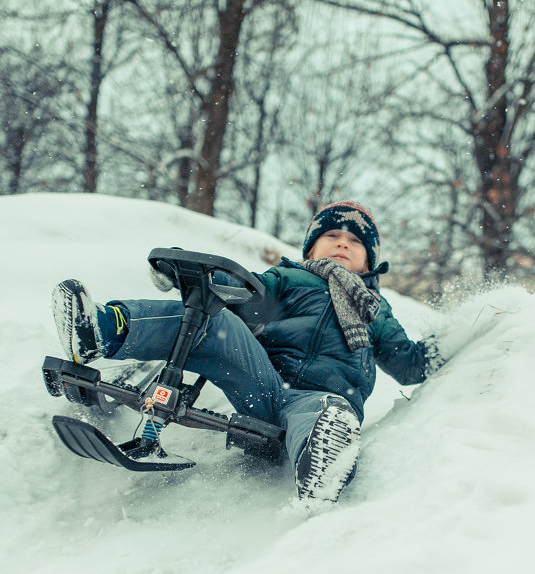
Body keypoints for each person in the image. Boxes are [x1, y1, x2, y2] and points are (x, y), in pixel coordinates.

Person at [51, 201, 441, 504]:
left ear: (370, 260)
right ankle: (102, 329)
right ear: (311, 246)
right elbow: (247, 294)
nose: (342, 242)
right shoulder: (292, 277)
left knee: (325, 411)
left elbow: (409, 364)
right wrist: (200, 276)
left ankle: (322, 459)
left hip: (321, 400)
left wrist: (467, 337)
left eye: (355, 240)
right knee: (212, 322)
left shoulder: (375, 309)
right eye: (332, 235)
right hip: (264, 385)